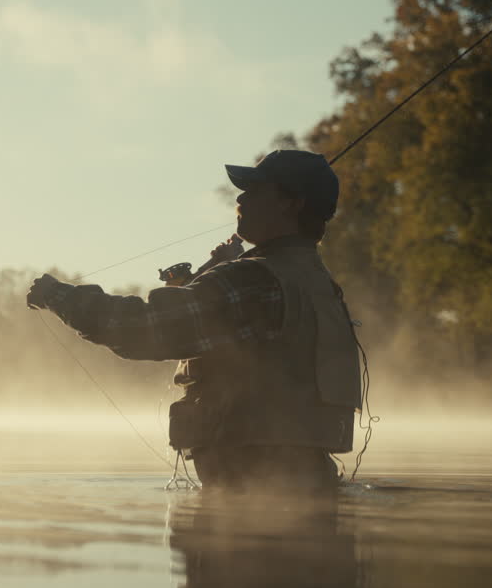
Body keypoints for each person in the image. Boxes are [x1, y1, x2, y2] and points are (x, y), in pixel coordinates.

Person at [26, 149, 362, 496]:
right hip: (305, 480)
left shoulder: (253, 280)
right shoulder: (318, 283)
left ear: (291, 204)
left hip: (251, 489)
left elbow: (142, 329)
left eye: (256, 189)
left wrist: (57, 295)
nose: (241, 197)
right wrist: (214, 275)